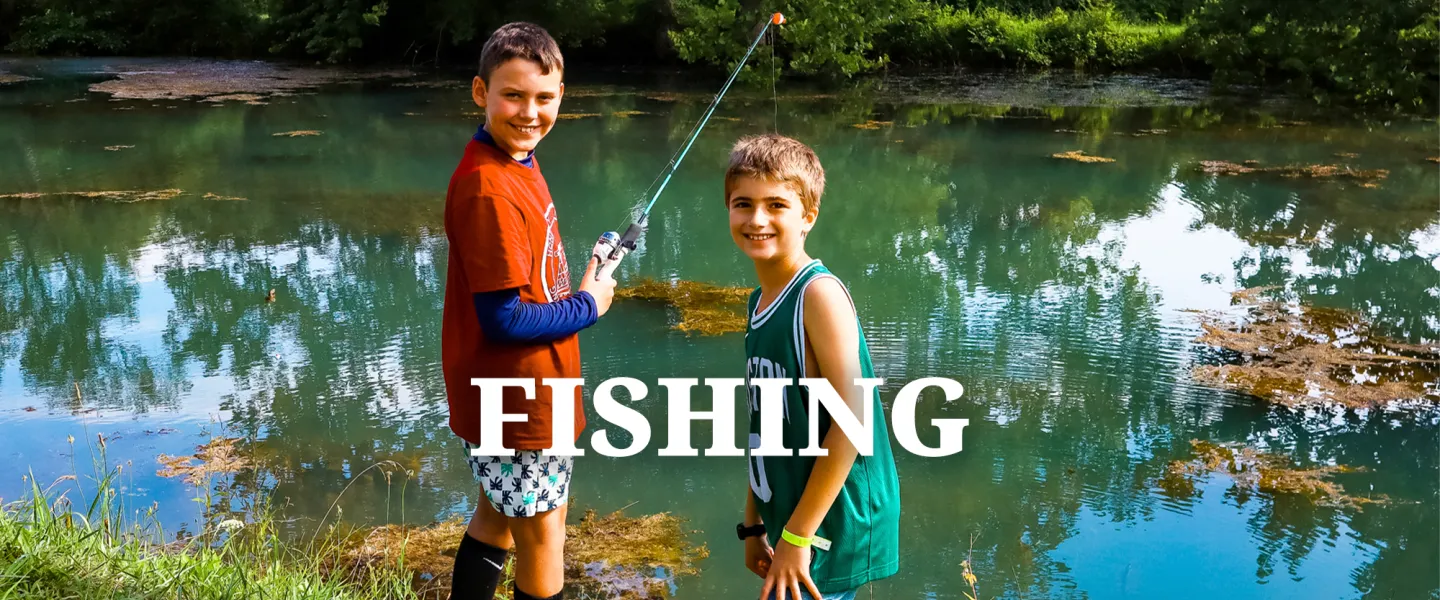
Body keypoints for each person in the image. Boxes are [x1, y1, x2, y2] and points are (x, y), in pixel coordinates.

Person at [441, 22, 615, 600]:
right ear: (479, 92)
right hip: (516, 399)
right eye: (512, 95)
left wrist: (583, 284)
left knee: (497, 517)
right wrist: (588, 307)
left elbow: (531, 282)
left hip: (530, 392)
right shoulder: (488, 186)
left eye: (543, 98)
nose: (529, 112)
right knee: (545, 537)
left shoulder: (517, 161)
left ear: (561, 96)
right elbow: (506, 319)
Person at [726, 135, 901, 600]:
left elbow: (854, 419)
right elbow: (764, 423)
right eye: (743, 203)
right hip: (793, 514)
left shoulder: (817, 296)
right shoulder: (759, 301)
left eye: (776, 205)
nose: (757, 219)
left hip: (831, 521)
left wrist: (798, 537)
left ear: (808, 217)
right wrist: (753, 523)